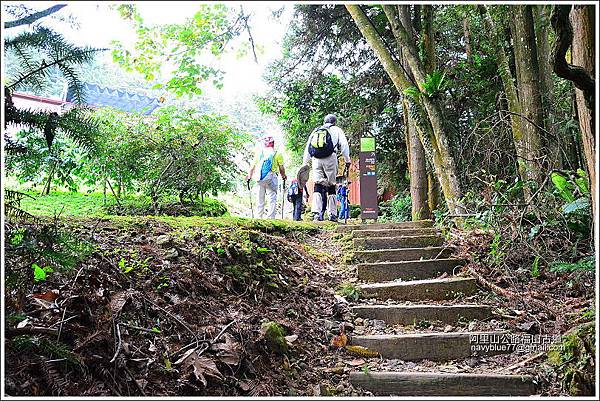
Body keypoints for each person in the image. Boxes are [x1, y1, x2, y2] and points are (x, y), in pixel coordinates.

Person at [302, 114, 350, 221]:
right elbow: (344, 145)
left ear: (324, 122)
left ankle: (316, 213)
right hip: (330, 158)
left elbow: (308, 148)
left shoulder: (316, 130)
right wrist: (347, 160)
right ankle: (332, 214)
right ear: (334, 122)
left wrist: (305, 164)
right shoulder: (336, 130)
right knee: (331, 185)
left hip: (316, 159)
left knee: (317, 185)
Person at [247, 135, 287, 219]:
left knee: (260, 198)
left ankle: (258, 217)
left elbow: (252, 167)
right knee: (272, 197)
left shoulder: (259, 153)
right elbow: (281, 168)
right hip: (271, 178)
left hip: (259, 178)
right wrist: (284, 176)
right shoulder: (277, 153)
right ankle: (271, 217)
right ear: (273, 144)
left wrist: (249, 177)